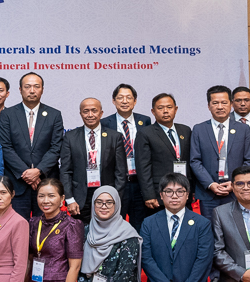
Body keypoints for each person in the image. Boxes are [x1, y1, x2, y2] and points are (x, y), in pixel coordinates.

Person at [0, 72, 63, 213]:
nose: (32, 90)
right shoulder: (7, 114)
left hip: (46, 182)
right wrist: (26, 173)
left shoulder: (54, 115)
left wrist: (38, 171)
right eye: (27, 87)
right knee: (18, 225)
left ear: (42, 89)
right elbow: (5, 146)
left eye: (36, 86)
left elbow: (56, 147)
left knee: (46, 225)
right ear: (20, 89)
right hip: (17, 183)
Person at [193, 86, 250, 206]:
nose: (220, 107)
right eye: (215, 103)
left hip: (236, 192)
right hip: (208, 194)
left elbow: (249, 160)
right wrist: (210, 184)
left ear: (231, 104)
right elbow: (195, 161)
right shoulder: (199, 129)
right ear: (208, 106)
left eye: (224, 103)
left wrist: (235, 183)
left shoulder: (243, 129)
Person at [56, 98, 125, 216]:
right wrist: (69, 199)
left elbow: (120, 172)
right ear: (80, 114)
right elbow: (65, 171)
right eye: (86, 111)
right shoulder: (70, 137)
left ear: (101, 113)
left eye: (94, 110)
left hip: (107, 194)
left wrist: (115, 197)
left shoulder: (114, 137)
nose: (90, 115)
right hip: (80, 197)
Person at [134, 94, 191, 217]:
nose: (165, 111)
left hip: (183, 191)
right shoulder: (145, 133)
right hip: (159, 193)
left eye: (169, 107)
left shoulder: (186, 130)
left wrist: (192, 190)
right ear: (153, 111)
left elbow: (190, 161)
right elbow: (143, 167)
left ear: (175, 109)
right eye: (160, 108)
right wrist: (149, 194)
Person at [106, 84, 153, 227]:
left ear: (135, 101)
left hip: (140, 183)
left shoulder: (145, 121)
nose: (124, 101)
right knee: (115, 223)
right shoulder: (105, 123)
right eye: (120, 97)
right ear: (114, 101)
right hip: (117, 183)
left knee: (140, 224)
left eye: (128, 97)